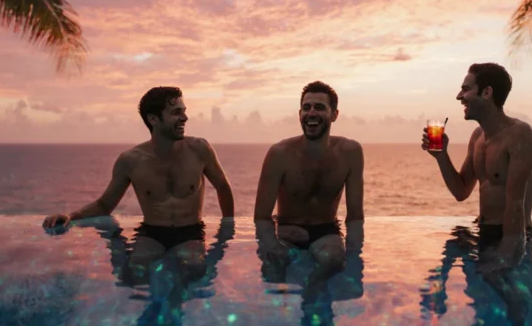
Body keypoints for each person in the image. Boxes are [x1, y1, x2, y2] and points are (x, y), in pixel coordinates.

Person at [42, 86, 235, 285]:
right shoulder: (131, 160)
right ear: (153, 119)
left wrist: (227, 229)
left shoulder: (199, 149)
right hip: (152, 232)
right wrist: (71, 217)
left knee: (194, 271)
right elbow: (105, 205)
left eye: (184, 111)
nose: (185, 118)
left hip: (190, 232)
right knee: (132, 275)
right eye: (177, 112)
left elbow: (222, 186)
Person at [421, 63, 532, 272]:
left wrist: (505, 260)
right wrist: (441, 156)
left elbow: (515, 206)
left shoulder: (519, 134)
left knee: (504, 297)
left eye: (466, 89)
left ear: (486, 92)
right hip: (483, 233)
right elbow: (461, 191)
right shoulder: (477, 137)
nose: (459, 96)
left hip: (512, 235)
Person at [253, 81, 365, 282]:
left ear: (334, 115)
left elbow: (355, 217)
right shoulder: (279, 154)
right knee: (271, 273)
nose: (311, 113)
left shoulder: (350, 153)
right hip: (287, 233)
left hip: (326, 232)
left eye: (319, 107)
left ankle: (313, 298)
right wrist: (271, 245)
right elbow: (262, 216)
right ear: (299, 114)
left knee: (333, 261)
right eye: (306, 107)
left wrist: (355, 254)